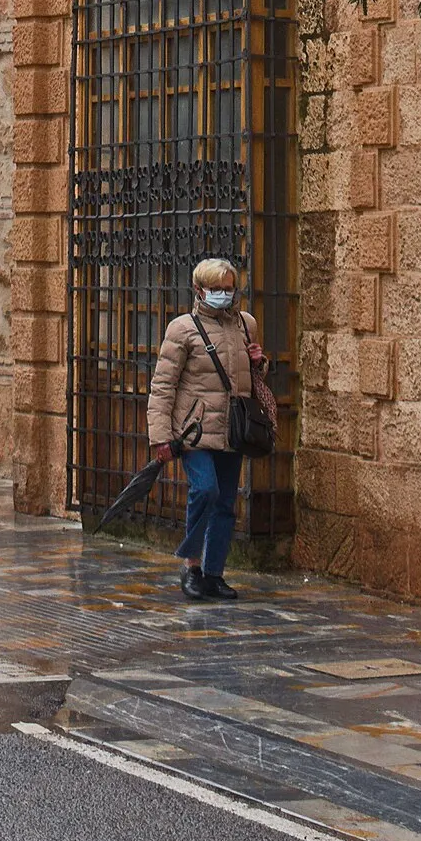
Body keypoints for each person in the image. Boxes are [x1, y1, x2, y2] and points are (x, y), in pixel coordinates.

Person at [147, 255, 263, 602]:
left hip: (231, 429)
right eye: (215, 289)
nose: (223, 295)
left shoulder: (246, 324)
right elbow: (163, 385)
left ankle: (214, 574)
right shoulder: (182, 329)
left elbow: (248, 380)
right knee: (206, 490)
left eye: (228, 289)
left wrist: (259, 362)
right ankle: (191, 564)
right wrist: (160, 436)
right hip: (194, 431)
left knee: (227, 503)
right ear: (199, 289)